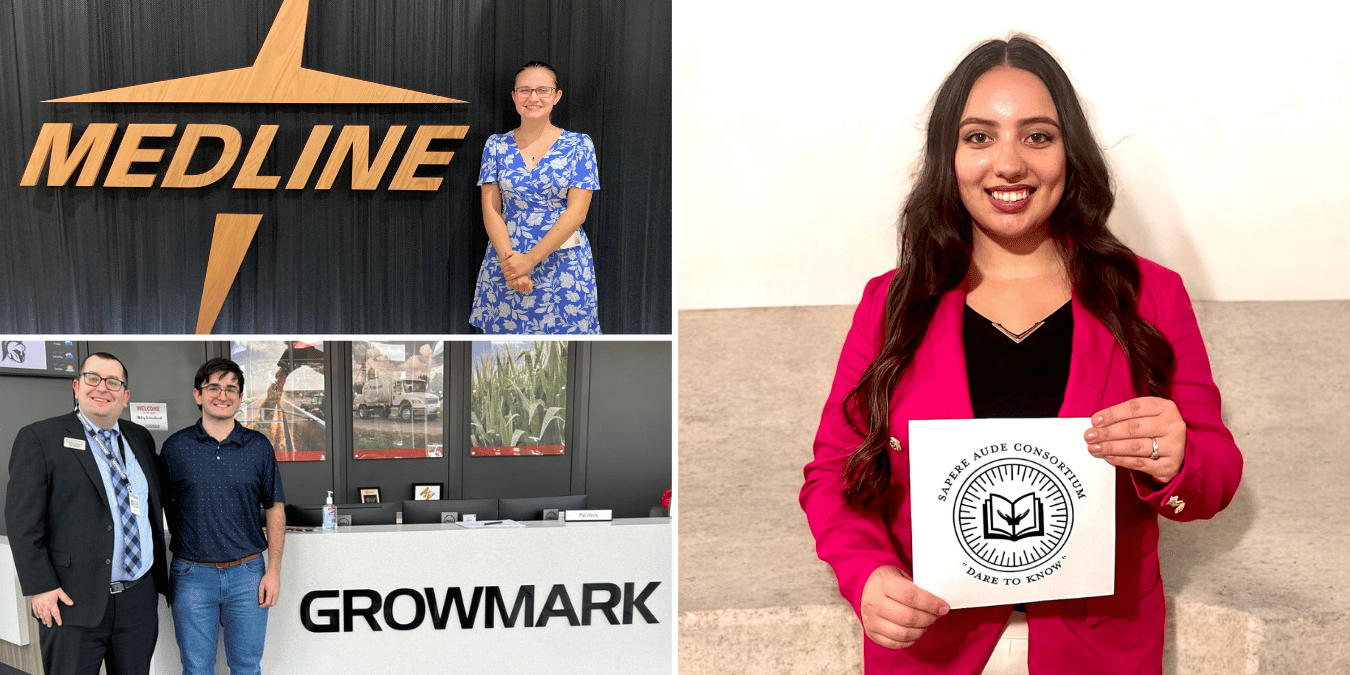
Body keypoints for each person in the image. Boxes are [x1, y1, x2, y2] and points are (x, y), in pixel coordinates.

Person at [799, 35, 1243, 675]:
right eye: (980, 137)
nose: (1009, 163)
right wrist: (865, 573)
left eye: (1037, 136)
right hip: (933, 649)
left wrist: (1176, 457)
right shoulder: (891, 302)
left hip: (1099, 652)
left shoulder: (1151, 296)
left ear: (1071, 154)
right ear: (948, 157)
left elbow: (1217, 475)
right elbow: (832, 475)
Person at [5, 352, 170, 675]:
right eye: (93, 379)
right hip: (71, 600)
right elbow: (23, 523)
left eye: (113, 382)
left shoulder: (139, 438)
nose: (102, 388)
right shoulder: (40, 438)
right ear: (77, 386)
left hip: (137, 599)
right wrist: (40, 587)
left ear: (125, 396)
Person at [159, 358, 285, 675]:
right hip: (191, 576)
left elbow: (275, 507)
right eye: (213, 387)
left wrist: (273, 571)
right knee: (197, 668)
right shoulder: (175, 448)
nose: (222, 394)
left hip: (248, 575)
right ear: (198, 395)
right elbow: (158, 507)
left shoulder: (258, 447)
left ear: (240, 398)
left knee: (246, 666)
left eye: (231, 388)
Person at [470, 60, 602, 334]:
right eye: (524, 90)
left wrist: (528, 262)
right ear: (514, 97)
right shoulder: (496, 145)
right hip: (507, 258)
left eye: (543, 90)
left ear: (556, 95)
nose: (533, 98)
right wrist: (512, 264)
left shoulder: (580, 144)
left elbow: (577, 213)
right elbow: (491, 210)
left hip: (562, 262)